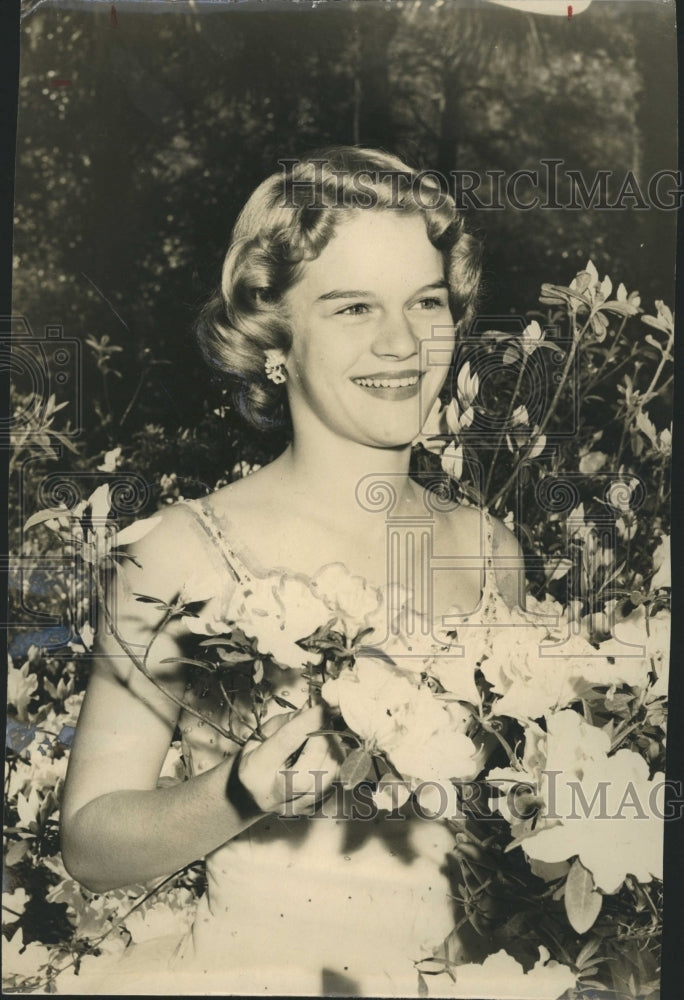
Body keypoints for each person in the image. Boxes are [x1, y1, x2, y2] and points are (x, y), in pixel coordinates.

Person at [60, 147, 525, 997]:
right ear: (274, 338)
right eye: (353, 307)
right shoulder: (176, 551)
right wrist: (240, 791)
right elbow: (91, 844)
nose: (402, 343)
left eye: (426, 302)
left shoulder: (492, 551)